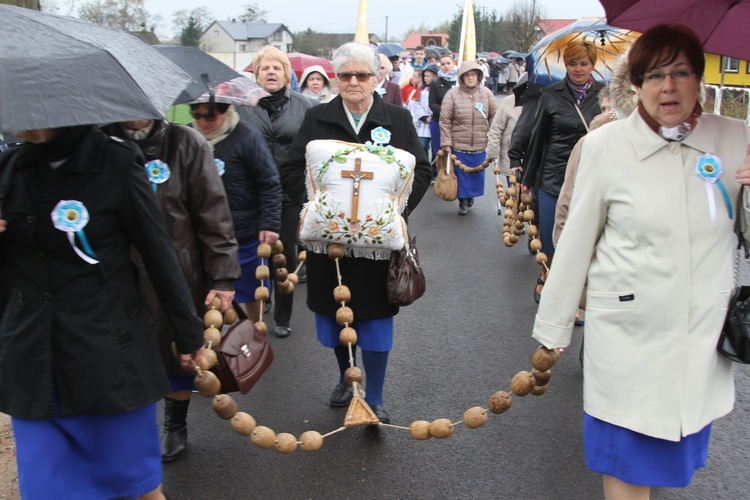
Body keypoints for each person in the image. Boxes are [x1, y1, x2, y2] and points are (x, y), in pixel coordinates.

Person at [533, 24, 750, 499]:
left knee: (670, 458)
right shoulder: (606, 147)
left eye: (680, 72)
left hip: (698, 337)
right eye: (653, 75)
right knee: (626, 465)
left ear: (699, 79)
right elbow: (575, 242)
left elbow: (745, 237)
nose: (667, 86)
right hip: (628, 335)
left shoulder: (736, 140)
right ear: (635, 84)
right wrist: (554, 328)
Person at [0, 125, 206, 499]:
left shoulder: (116, 162)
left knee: (136, 488)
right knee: (46, 490)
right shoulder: (8, 167)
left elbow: (158, 253)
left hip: (108, 355)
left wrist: (187, 334)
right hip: (34, 361)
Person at [280, 42, 431, 424]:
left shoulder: (396, 118)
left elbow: (421, 170)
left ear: (377, 78)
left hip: (377, 247)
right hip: (329, 244)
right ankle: (347, 380)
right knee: (335, 316)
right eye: (345, 75)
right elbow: (291, 170)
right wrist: (317, 207)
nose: (353, 82)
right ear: (335, 77)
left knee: (376, 317)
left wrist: (391, 212)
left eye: (362, 75)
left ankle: (375, 395)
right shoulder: (317, 118)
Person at [104, 118, 240, 463]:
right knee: (123, 355)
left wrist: (223, 276)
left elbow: (213, 213)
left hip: (179, 269)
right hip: (116, 273)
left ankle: (174, 424)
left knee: (178, 351)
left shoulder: (186, 143)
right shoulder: (97, 142)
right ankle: (130, 431)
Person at [239, 45, 313, 339]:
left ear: (287, 74)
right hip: (251, 191)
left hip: (289, 191)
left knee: (285, 254)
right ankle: (262, 298)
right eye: (265, 68)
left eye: (277, 68)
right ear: (256, 75)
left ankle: (283, 315)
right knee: (257, 251)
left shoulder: (305, 105)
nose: (271, 72)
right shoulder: (242, 106)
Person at [521, 41, 602, 303]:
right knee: (550, 236)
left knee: (583, 239)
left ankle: (576, 293)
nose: (578, 69)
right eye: (572, 63)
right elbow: (538, 138)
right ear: (565, 66)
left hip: (591, 178)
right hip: (554, 176)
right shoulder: (551, 94)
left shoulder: (606, 96)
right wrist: (527, 178)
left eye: (584, 63)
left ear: (593, 65)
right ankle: (549, 276)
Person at [191, 101, 282, 326]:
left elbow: (269, 183)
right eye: (197, 115)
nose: (202, 122)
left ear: (226, 111)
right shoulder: (186, 137)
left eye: (210, 117)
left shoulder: (247, 137)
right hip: (200, 233)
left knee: (251, 291)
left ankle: (252, 338)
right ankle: (214, 351)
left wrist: (269, 223)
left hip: (244, 232)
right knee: (206, 294)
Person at [439, 60, 498, 215]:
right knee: (462, 175)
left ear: (479, 76)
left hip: (479, 143)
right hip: (459, 143)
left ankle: (470, 196)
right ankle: (463, 201)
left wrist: (494, 138)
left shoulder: (486, 93)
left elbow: (494, 117)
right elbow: (445, 120)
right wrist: (446, 142)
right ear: (461, 77)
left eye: (473, 75)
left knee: (477, 174)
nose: (470, 78)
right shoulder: (452, 95)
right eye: (467, 75)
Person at [486, 92, 523, 187]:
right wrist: (493, 150)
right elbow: (496, 127)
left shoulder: (544, 101)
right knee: (514, 197)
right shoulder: (509, 102)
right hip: (512, 158)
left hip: (536, 162)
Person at [428, 53, 458, 160]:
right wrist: (446, 112)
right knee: (439, 152)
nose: (446, 66)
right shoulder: (436, 82)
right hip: (439, 121)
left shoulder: (460, 81)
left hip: (457, 122)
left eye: (448, 63)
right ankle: (439, 174)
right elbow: (432, 104)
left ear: (454, 64)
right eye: (443, 64)